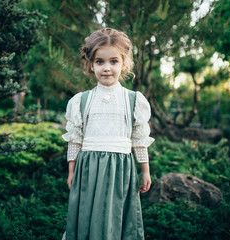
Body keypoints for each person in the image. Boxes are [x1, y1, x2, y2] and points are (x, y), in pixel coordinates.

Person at [62, 28, 155, 240]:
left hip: (120, 168)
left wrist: (145, 171)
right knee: (88, 213)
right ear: (91, 64)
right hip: (89, 168)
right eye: (99, 62)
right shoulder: (81, 100)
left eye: (113, 61)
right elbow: (75, 138)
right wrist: (71, 170)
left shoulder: (133, 100)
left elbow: (139, 139)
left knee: (115, 216)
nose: (106, 68)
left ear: (124, 64)